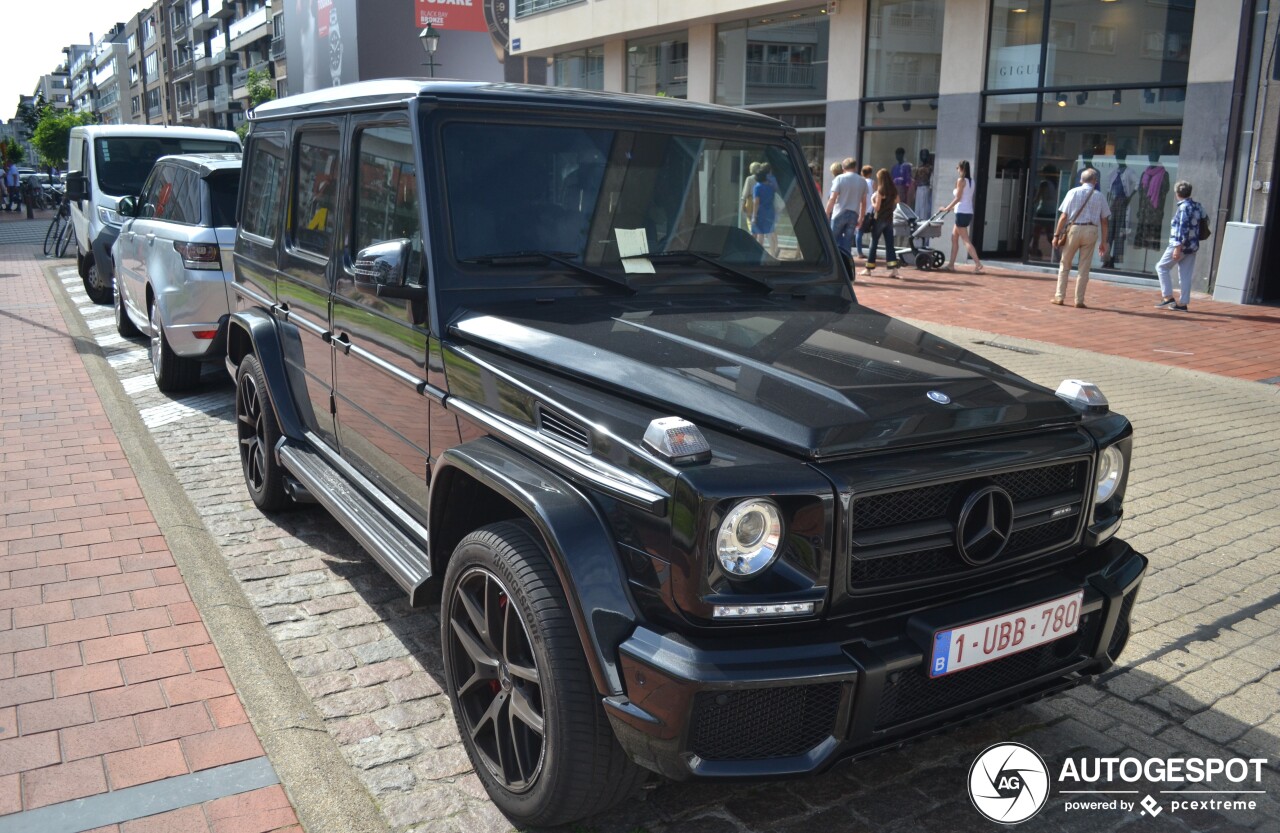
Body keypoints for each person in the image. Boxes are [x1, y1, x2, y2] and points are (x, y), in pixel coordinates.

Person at [1050, 168, 1110, 308]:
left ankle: (1059, 296)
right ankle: (1079, 300)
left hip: (1074, 228)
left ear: (1081, 180)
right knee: (1084, 267)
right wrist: (1104, 241)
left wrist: (1056, 235)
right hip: (1091, 230)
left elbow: (1064, 217)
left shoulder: (1073, 192)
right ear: (1095, 181)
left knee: (1065, 264)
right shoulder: (1099, 196)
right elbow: (1105, 221)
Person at [1154, 181, 1205, 312]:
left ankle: (1168, 297)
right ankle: (1183, 303)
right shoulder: (1197, 206)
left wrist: (1177, 247)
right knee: (1185, 275)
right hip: (1192, 245)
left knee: (1161, 267)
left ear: (1177, 193)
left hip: (1179, 245)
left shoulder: (1183, 208)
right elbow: (1205, 220)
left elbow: (1182, 228)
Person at [939, 160, 984, 273]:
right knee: (954, 238)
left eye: (957, 168)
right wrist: (954, 208)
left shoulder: (961, 181)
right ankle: (951, 265)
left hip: (961, 213)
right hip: (967, 212)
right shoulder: (971, 181)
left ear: (962, 169)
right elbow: (965, 199)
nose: (957, 170)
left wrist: (947, 208)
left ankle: (978, 264)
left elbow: (958, 198)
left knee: (965, 240)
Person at [825, 157, 867, 276]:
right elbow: (863, 202)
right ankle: (845, 270)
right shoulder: (862, 181)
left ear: (843, 168)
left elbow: (833, 198)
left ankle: (831, 267)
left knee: (832, 241)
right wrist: (861, 217)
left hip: (839, 213)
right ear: (855, 167)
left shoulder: (839, 178)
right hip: (854, 213)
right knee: (847, 243)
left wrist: (827, 212)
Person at [863, 168, 900, 279]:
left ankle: (869, 268)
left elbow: (877, 207)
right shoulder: (893, 189)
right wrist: (889, 203)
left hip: (879, 219)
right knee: (890, 245)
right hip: (889, 219)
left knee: (873, 243)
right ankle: (894, 269)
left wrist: (872, 201)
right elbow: (897, 201)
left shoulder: (881, 190)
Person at [750, 165, 779, 257]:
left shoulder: (757, 187)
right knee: (770, 233)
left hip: (760, 213)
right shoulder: (771, 186)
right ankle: (773, 254)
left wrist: (754, 216)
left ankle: (758, 254)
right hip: (770, 211)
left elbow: (756, 203)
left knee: (760, 234)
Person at [856, 164, 875, 257]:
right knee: (873, 231)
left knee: (859, 231)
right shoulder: (872, 182)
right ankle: (872, 251)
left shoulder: (859, 182)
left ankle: (859, 252)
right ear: (870, 173)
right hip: (870, 209)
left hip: (860, 209)